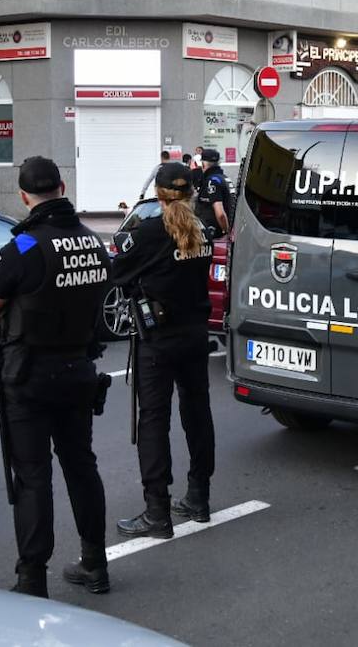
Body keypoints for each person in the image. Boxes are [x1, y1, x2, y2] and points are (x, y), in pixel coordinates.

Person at [0, 156, 113, 597]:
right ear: (62, 188)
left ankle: (32, 579)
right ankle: (95, 564)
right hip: (79, 369)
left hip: (30, 376)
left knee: (33, 476)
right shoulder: (92, 241)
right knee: (81, 466)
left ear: (23, 196)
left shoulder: (23, 248)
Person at [112, 162, 215, 539]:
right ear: (191, 194)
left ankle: (157, 512)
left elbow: (118, 273)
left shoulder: (149, 232)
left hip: (159, 340)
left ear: (158, 195)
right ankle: (199, 498)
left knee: (154, 421)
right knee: (197, 414)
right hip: (195, 335)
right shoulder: (202, 231)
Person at [195, 148, 232, 238]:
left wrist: (226, 232)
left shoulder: (212, 182)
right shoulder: (224, 178)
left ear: (203, 164)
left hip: (215, 235)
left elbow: (220, 214)